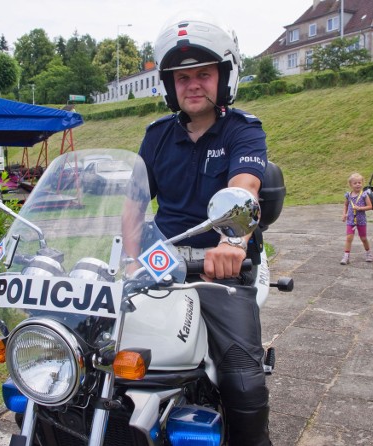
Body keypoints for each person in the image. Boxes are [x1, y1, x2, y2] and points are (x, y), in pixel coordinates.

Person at [126, 11, 271, 445]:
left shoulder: (243, 132)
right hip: (161, 262)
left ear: (223, 78)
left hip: (221, 270)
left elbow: (245, 186)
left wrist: (231, 242)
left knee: (243, 379)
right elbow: (133, 203)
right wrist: (127, 253)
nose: (192, 85)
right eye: (182, 77)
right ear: (169, 86)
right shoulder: (155, 137)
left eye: (203, 75)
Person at [341, 172, 373, 265]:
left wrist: (360, 208)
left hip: (361, 220)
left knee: (363, 238)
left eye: (359, 182)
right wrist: (344, 214)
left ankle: (368, 253)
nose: (358, 184)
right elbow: (346, 205)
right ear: (350, 185)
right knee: (349, 237)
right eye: (355, 183)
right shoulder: (348, 195)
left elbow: (370, 206)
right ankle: (346, 256)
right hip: (351, 220)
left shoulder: (364, 195)